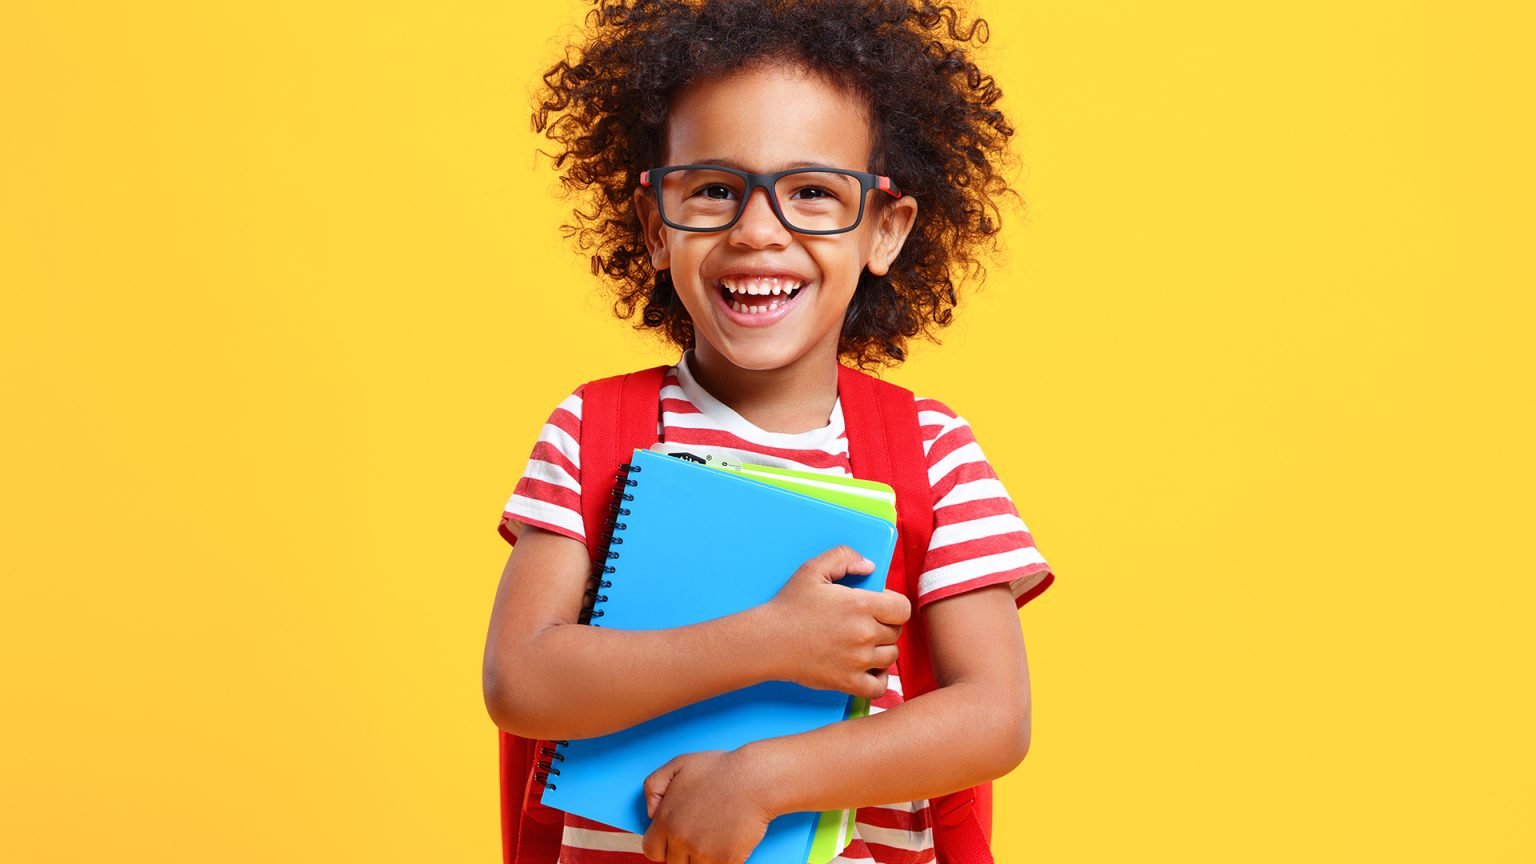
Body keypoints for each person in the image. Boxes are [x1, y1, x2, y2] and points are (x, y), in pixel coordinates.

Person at [482, 2, 1057, 862]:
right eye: (714, 189)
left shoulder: (932, 455)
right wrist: (768, 641)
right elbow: (521, 682)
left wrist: (761, 779)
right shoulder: (591, 432)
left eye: (813, 194)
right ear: (653, 223)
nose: (759, 232)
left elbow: (994, 717)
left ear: (884, 231)